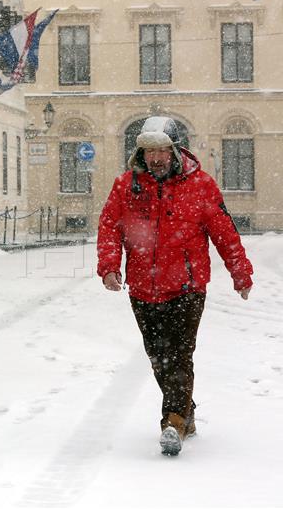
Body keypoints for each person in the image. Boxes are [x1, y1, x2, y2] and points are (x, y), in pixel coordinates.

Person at [97, 116, 254, 456]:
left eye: (161, 151)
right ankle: (186, 412)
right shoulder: (126, 185)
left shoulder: (200, 186)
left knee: (179, 355)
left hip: (187, 285)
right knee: (158, 357)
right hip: (142, 287)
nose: (155, 158)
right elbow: (109, 226)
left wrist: (240, 271)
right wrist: (109, 267)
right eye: (149, 151)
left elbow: (224, 231)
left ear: (175, 151)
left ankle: (172, 422)